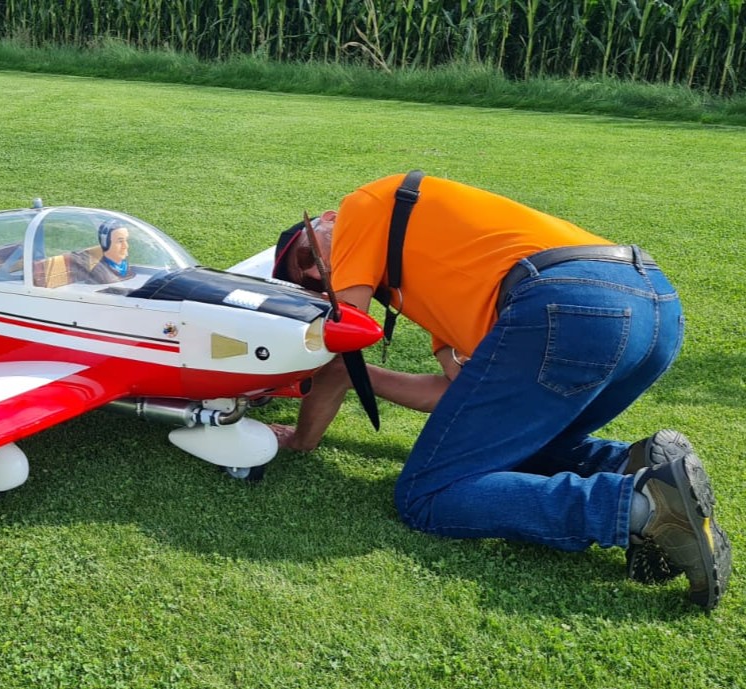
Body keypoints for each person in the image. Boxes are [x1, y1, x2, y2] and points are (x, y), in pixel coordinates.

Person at [271, 173, 731, 610]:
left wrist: (302, 397)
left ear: (328, 219)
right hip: (655, 307)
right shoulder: (444, 282)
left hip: (571, 303)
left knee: (427, 495)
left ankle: (640, 508)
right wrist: (351, 377)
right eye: (307, 281)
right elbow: (460, 397)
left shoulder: (361, 206)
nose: (317, 274)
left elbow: (341, 329)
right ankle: (632, 464)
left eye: (306, 254)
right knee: (512, 444)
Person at [68, 221, 135, 283]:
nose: (126, 246)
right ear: (106, 244)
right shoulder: (101, 272)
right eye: (120, 241)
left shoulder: (124, 266)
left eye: (126, 240)